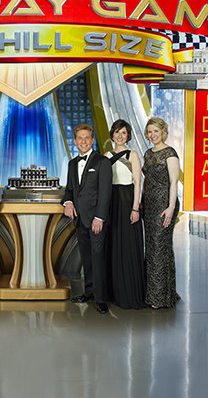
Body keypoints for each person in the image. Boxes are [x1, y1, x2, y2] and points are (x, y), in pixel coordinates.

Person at [63, 123, 112, 314]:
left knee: (98, 258)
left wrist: (100, 217)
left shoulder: (102, 162)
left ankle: (101, 298)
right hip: (80, 219)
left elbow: (105, 193)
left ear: (92, 140)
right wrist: (68, 202)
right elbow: (69, 189)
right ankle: (89, 292)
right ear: (75, 141)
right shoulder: (72, 164)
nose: (83, 141)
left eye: (87, 138)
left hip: (96, 219)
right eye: (80, 138)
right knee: (87, 258)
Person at [104, 119, 146, 309]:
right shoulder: (106, 155)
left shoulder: (132, 155)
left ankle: (130, 293)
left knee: (128, 246)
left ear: (128, 136)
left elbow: (137, 183)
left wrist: (135, 208)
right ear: (112, 134)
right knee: (113, 246)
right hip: (111, 203)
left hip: (127, 201)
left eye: (124, 133)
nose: (120, 136)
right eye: (117, 132)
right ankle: (115, 291)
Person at [142, 117, 181, 308]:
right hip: (149, 205)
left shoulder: (170, 153)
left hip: (164, 205)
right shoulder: (148, 154)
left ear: (163, 132)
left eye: (155, 131)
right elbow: (146, 180)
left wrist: (171, 207)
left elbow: (174, 182)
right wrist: (141, 202)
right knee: (152, 248)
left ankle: (159, 297)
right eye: (149, 132)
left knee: (159, 247)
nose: (152, 135)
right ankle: (163, 292)